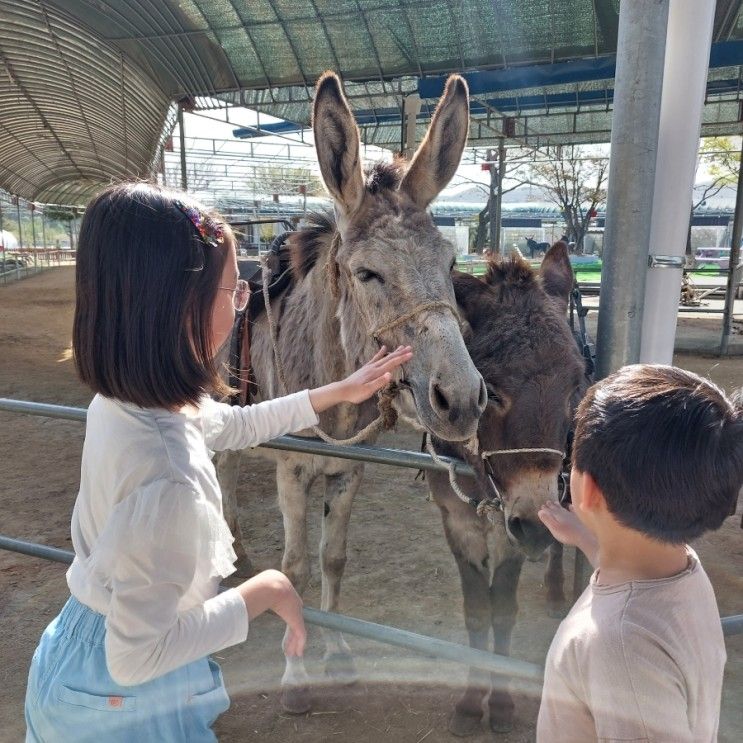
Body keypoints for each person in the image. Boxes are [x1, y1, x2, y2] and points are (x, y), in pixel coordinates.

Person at [24, 182, 413, 742]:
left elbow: (231, 424)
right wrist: (263, 593)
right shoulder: (168, 483)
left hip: (76, 652)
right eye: (234, 294)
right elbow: (137, 658)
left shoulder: (128, 402)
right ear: (181, 311)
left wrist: (336, 392)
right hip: (123, 698)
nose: (240, 307)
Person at [537, 364, 742, 743]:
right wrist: (587, 537)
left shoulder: (620, 648)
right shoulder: (682, 568)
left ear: (588, 491)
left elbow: (629, 622)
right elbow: (638, 596)